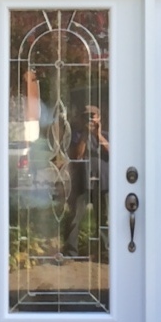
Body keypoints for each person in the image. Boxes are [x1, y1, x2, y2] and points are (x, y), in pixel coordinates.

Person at [63, 105, 109, 258]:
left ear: (99, 118)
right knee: (75, 217)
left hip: (102, 183)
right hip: (82, 182)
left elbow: (113, 152)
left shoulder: (106, 135)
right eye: (86, 117)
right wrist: (85, 135)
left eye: (92, 116)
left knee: (104, 218)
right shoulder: (76, 137)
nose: (90, 120)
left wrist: (98, 135)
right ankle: (71, 252)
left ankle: (105, 251)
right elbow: (77, 156)